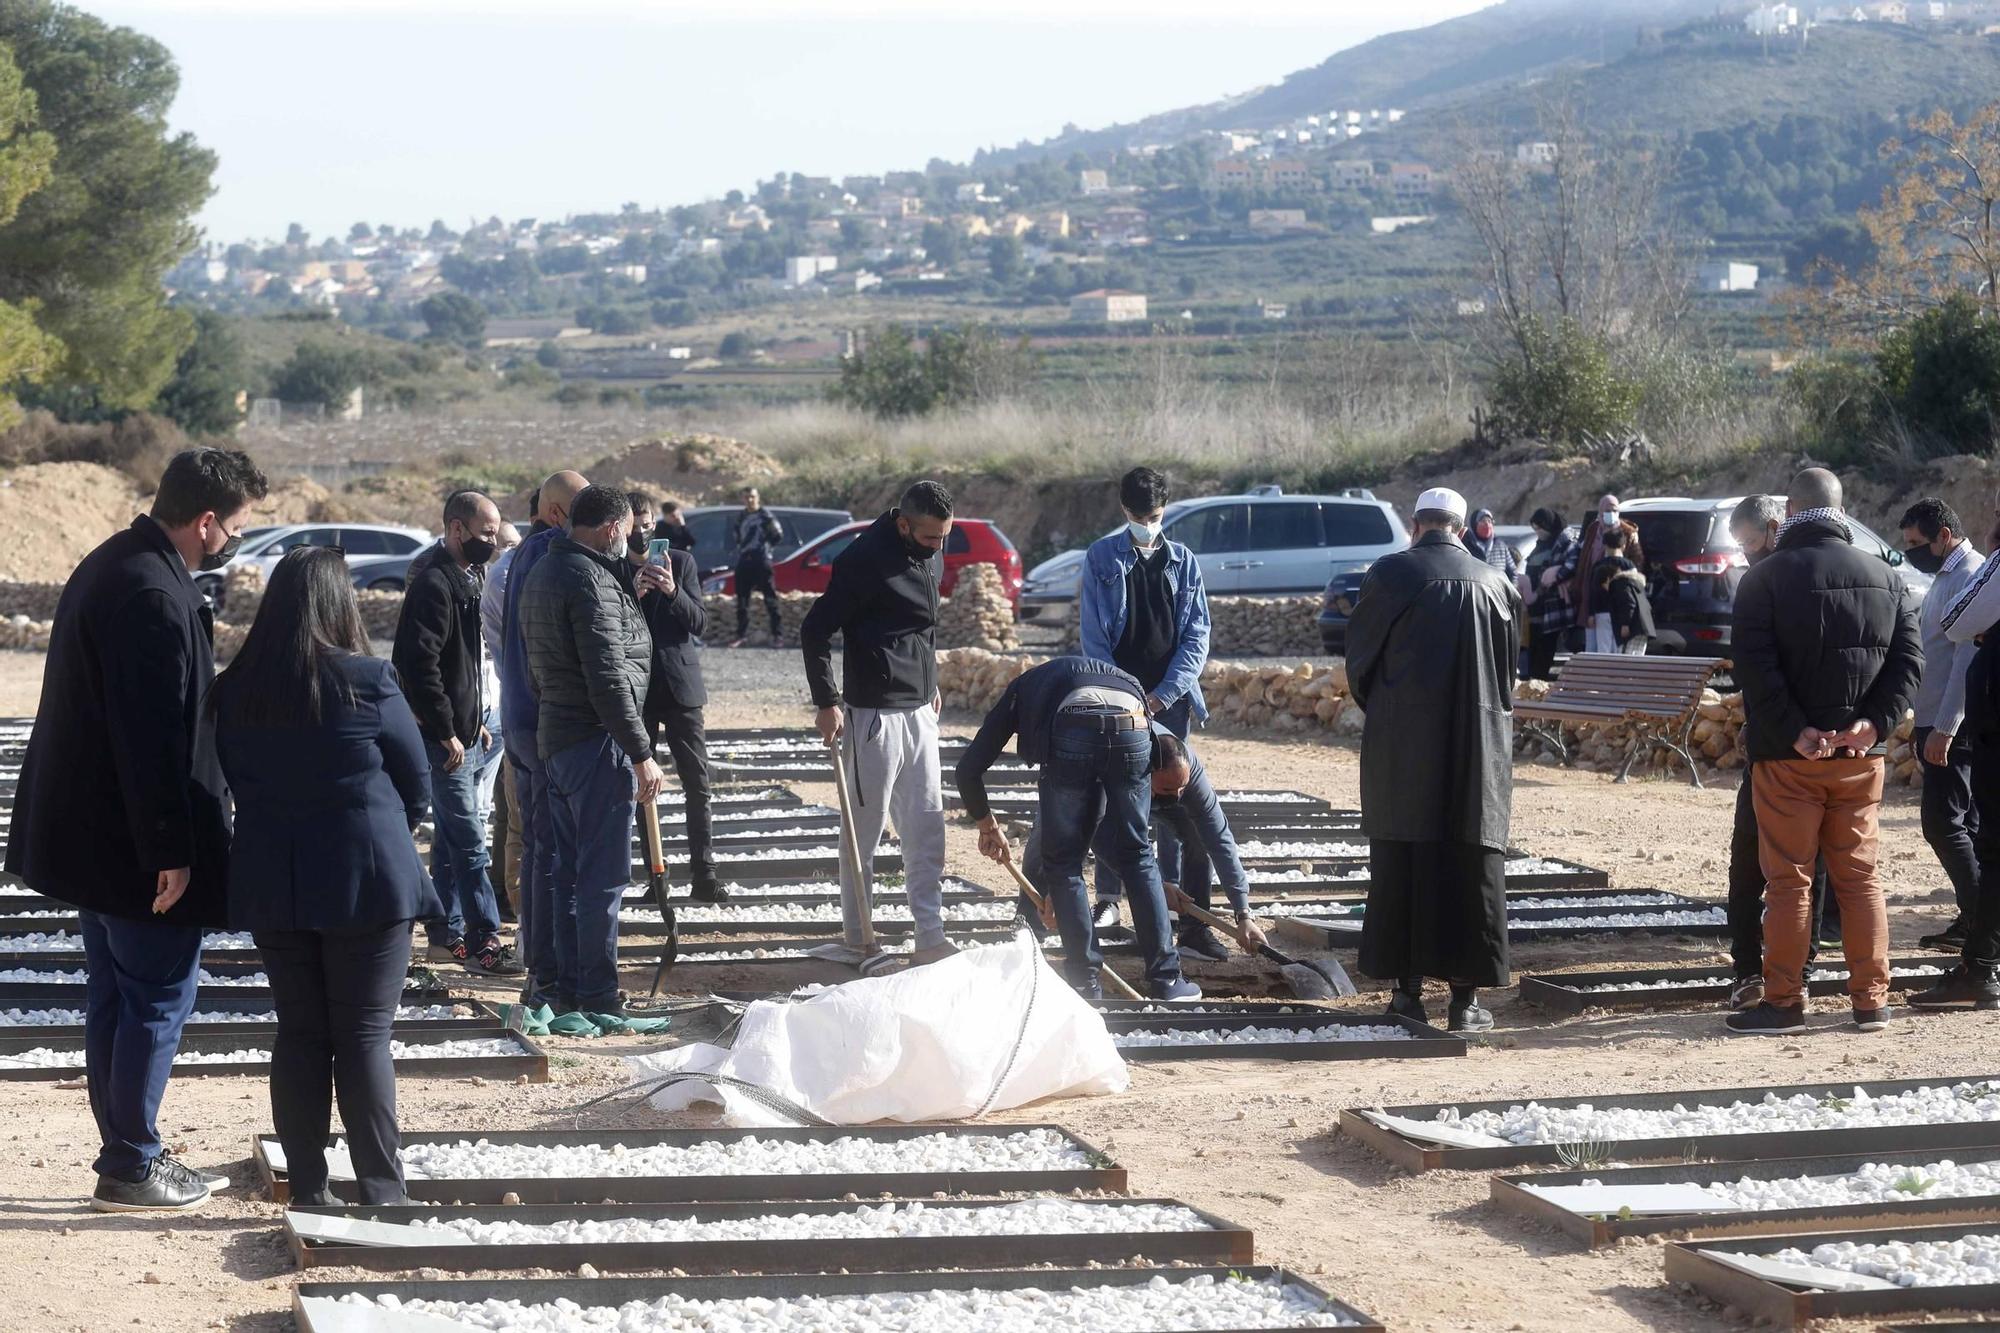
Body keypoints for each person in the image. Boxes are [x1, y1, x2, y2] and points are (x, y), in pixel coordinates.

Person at [6, 446, 266, 1212]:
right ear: (207, 520)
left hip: (97, 836)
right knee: (155, 994)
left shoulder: (118, 562)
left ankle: (128, 1148)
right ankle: (131, 1160)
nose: (238, 541)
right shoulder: (152, 591)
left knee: (117, 995)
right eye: (239, 527)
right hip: (130, 844)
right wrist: (172, 852)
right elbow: (153, 741)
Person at [210, 547, 435, 1207]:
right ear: (341, 603)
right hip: (367, 878)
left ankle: (309, 1185)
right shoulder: (367, 678)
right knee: (364, 1031)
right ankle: (383, 1189)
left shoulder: (236, 687)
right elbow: (416, 783)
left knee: (300, 1030)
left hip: (274, 880)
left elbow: (230, 781)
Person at [1727, 468, 1922, 1036]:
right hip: (1861, 758)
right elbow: (1908, 664)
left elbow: (1756, 671)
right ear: (1841, 510)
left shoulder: (1763, 580)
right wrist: (1872, 723)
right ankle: (1871, 1001)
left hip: (1788, 759)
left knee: (1790, 881)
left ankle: (1784, 1002)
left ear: (1791, 511)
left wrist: (1795, 731)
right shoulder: (1886, 576)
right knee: (1860, 878)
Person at [1344, 486, 1520, 1033]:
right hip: (1477, 746)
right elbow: (1507, 676)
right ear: (1462, 530)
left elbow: (1360, 666)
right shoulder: (1497, 584)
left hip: (1404, 747)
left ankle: (1406, 994)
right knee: (1469, 862)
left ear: (1415, 525)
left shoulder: (1390, 575)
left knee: (1406, 862)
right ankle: (1466, 1003)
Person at [957, 655, 1201, 1001]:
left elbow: (968, 769)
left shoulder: (1021, 691)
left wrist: (987, 826)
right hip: (1133, 726)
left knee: (1064, 863)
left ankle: (1085, 984)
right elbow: (1099, 825)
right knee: (1137, 855)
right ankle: (1168, 980)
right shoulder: (1114, 676)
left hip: (1074, 732)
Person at [519, 485, 667, 1017]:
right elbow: (607, 677)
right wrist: (640, 750)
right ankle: (596, 993)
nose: (629, 541)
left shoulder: (545, 570)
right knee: (601, 878)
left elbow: (540, 666)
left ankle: (561, 985)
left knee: (566, 874)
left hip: (558, 739)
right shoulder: (589, 579)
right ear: (610, 528)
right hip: (593, 742)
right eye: (626, 531)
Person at [800, 480, 957, 967]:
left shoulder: (929, 552)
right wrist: (827, 702)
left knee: (927, 826)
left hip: (920, 711)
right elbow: (815, 629)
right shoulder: (861, 560)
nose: (940, 547)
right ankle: (858, 938)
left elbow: (922, 629)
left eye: (944, 537)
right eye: (932, 537)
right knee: (862, 832)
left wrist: (930, 682)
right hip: (872, 716)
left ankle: (930, 935)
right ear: (905, 524)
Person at [393, 490, 520, 976]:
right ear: (456, 529)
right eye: (486, 534)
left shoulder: (468, 578)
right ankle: (484, 937)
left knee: (451, 838)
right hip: (442, 740)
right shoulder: (434, 583)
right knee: (469, 839)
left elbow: (465, 665)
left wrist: (472, 726)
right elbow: (417, 665)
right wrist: (447, 730)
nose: (492, 542)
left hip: (466, 734)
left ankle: (444, 933)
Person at [1079, 466, 1212, 930]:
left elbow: (1197, 637)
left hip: (1170, 701)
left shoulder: (1184, 562)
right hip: (1120, 700)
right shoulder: (1101, 559)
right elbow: (1094, 638)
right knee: (1117, 794)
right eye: (1139, 515)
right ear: (1124, 511)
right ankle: (1111, 897)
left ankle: (1165, 896)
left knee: (1169, 795)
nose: (1147, 523)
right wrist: (1127, 695)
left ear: (1166, 510)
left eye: (1154, 515)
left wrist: (1161, 695)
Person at [1722, 495, 1832, 1011]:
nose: (1744, 556)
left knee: (1763, 861)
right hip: (1815, 739)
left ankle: (1770, 970)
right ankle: (1768, 968)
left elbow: (1762, 671)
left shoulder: (1769, 580)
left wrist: (1779, 727)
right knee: (1794, 865)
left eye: (1746, 544)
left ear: (1772, 528)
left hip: (1782, 746)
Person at [499, 471, 587, 1005]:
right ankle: (550, 972)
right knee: (553, 850)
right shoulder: (554, 556)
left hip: (521, 719)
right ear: (558, 513)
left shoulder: (524, 556)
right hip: (543, 723)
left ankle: (539, 965)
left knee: (536, 847)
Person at [1913, 506, 2000, 1012]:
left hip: (1986, 728)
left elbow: (1957, 622)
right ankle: (1980, 960)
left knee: (1983, 840)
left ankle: (1980, 964)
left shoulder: (1987, 566)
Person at [1087, 737, 1267, 961]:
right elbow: (1097, 834)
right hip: (1119, 786)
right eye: (1168, 788)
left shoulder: (1190, 778)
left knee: (1198, 834)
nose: (1177, 796)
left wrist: (1243, 913)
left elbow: (1219, 839)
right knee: (1053, 836)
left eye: (1182, 788)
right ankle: (1036, 919)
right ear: (1148, 772)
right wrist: (1152, 884)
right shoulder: (1121, 767)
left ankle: (1194, 934)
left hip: (1151, 782)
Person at [1898, 498, 1985, 951]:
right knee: (1964, 826)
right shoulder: (1945, 576)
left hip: (1953, 724)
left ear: (1943, 537)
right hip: (1933, 718)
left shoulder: (1969, 575)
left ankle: (1983, 923)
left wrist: (1946, 727)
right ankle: (1973, 919)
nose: (1910, 551)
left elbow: (1964, 661)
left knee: (1942, 823)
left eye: (1916, 543)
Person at [629, 492, 723, 900]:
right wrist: (633, 595)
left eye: (646, 521)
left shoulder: (681, 562)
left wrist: (671, 590)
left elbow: (699, 622)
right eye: (632, 523)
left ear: (655, 523)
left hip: (681, 688)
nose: (641, 530)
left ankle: (705, 873)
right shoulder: (612, 568)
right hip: (638, 691)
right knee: (643, 785)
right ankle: (656, 876)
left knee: (696, 783)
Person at [480, 522, 524, 920]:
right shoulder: (495, 583)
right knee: (504, 814)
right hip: (500, 712)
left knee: (510, 814)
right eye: (504, 544)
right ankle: (504, 894)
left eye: (514, 544)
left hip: (506, 710)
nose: (508, 551)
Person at [1559, 494, 1645, 654]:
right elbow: (1584, 557)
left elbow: (1637, 563)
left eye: (1615, 510)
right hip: (1593, 592)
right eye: (1607, 510)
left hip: (1616, 596)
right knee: (1593, 642)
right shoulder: (1593, 529)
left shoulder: (1628, 533)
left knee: (1611, 647)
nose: (1611, 514)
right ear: (1599, 511)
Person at [1520, 508, 1575, 681]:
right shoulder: (1539, 545)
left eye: (1540, 528)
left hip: (1553, 605)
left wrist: (1553, 576)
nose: (1538, 533)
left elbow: (1570, 566)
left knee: (1546, 647)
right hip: (1535, 606)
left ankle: (1539, 682)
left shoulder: (1565, 543)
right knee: (1534, 647)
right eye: (1535, 529)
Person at [728, 485, 784, 648]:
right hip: (745, 560)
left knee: (770, 599)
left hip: (762, 561)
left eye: (752, 496)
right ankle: (741, 635)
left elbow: (777, 535)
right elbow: (737, 536)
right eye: (746, 497)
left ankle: (777, 635)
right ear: (742, 499)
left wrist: (765, 549)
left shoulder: (765, 516)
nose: (749, 500)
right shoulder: (741, 516)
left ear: (758, 497)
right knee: (742, 600)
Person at [1594, 527, 1655, 655]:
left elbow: (1629, 603)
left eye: (1604, 585)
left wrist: (1625, 624)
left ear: (1608, 579)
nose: (1606, 589)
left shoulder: (1618, 582)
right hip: (1636, 624)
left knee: (1623, 655)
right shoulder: (1629, 570)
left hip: (1631, 625)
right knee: (1622, 653)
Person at [1464, 508, 1522, 580]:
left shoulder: (1500, 546)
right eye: (1483, 521)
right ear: (1475, 524)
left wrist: (1506, 590)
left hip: (1497, 590)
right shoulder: (1466, 545)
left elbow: (1513, 573)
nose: (1487, 524)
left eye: (1489, 521)